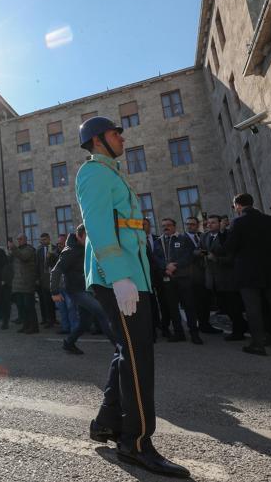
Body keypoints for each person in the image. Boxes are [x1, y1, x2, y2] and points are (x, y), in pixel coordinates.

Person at [77, 116, 189, 478]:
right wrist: (120, 275)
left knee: (128, 349)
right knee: (139, 354)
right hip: (117, 276)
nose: (121, 137)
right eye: (114, 133)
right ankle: (137, 442)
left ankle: (107, 423)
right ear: (97, 141)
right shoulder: (93, 173)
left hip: (131, 275)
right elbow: (97, 226)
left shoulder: (113, 173)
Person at [225, 193, 271, 357]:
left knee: (253, 310)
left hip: (248, 274)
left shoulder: (238, 222)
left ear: (238, 205)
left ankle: (258, 345)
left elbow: (230, 248)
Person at [50, 225, 114, 355]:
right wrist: (54, 292)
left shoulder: (86, 249)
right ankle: (121, 346)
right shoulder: (70, 251)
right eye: (87, 236)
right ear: (79, 236)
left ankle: (69, 343)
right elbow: (56, 270)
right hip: (76, 291)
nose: (90, 239)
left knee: (85, 322)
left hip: (87, 289)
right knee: (102, 312)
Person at [152, 218, 203, 344]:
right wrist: (166, 267)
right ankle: (179, 333)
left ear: (174, 226)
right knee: (172, 308)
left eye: (168, 225)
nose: (166, 227)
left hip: (183, 278)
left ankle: (194, 333)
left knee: (189, 306)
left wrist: (176, 265)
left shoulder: (183, 239)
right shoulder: (159, 241)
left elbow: (189, 255)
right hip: (168, 279)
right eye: (163, 225)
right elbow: (156, 258)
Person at [200, 215, 247, 340]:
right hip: (213, 280)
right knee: (225, 307)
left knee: (234, 307)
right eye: (208, 223)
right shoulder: (204, 236)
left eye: (213, 223)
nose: (209, 225)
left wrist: (216, 259)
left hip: (227, 278)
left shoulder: (227, 236)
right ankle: (241, 326)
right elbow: (198, 250)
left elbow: (231, 257)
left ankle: (239, 331)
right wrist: (202, 253)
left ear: (220, 223)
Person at [185, 216, 221, 334]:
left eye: (192, 224)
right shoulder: (182, 238)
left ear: (197, 225)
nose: (190, 226)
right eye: (188, 224)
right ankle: (198, 326)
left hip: (206, 274)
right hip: (192, 275)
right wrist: (205, 253)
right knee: (197, 303)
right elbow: (192, 252)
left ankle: (205, 324)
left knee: (205, 301)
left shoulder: (203, 236)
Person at [35, 233, 58, 328]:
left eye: (44, 239)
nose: (43, 241)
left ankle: (54, 319)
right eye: (41, 240)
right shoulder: (39, 250)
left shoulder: (54, 248)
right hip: (43, 279)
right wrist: (37, 278)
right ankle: (46, 319)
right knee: (45, 300)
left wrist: (51, 255)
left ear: (49, 239)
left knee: (54, 300)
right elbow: (37, 265)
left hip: (53, 278)